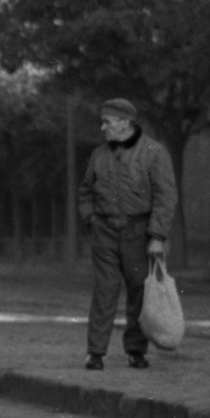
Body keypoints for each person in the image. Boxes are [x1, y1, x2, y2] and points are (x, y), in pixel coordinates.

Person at [77, 97, 178, 371]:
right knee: (104, 291)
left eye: (108, 122)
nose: (103, 128)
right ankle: (95, 353)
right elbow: (85, 191)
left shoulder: (154, 153)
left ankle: (136, 350)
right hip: (105, 232)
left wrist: (157, 235)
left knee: (138, 291)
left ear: (125, 123)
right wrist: (91, 220)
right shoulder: (99, 155)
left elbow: (165, 196)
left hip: (139, 232)